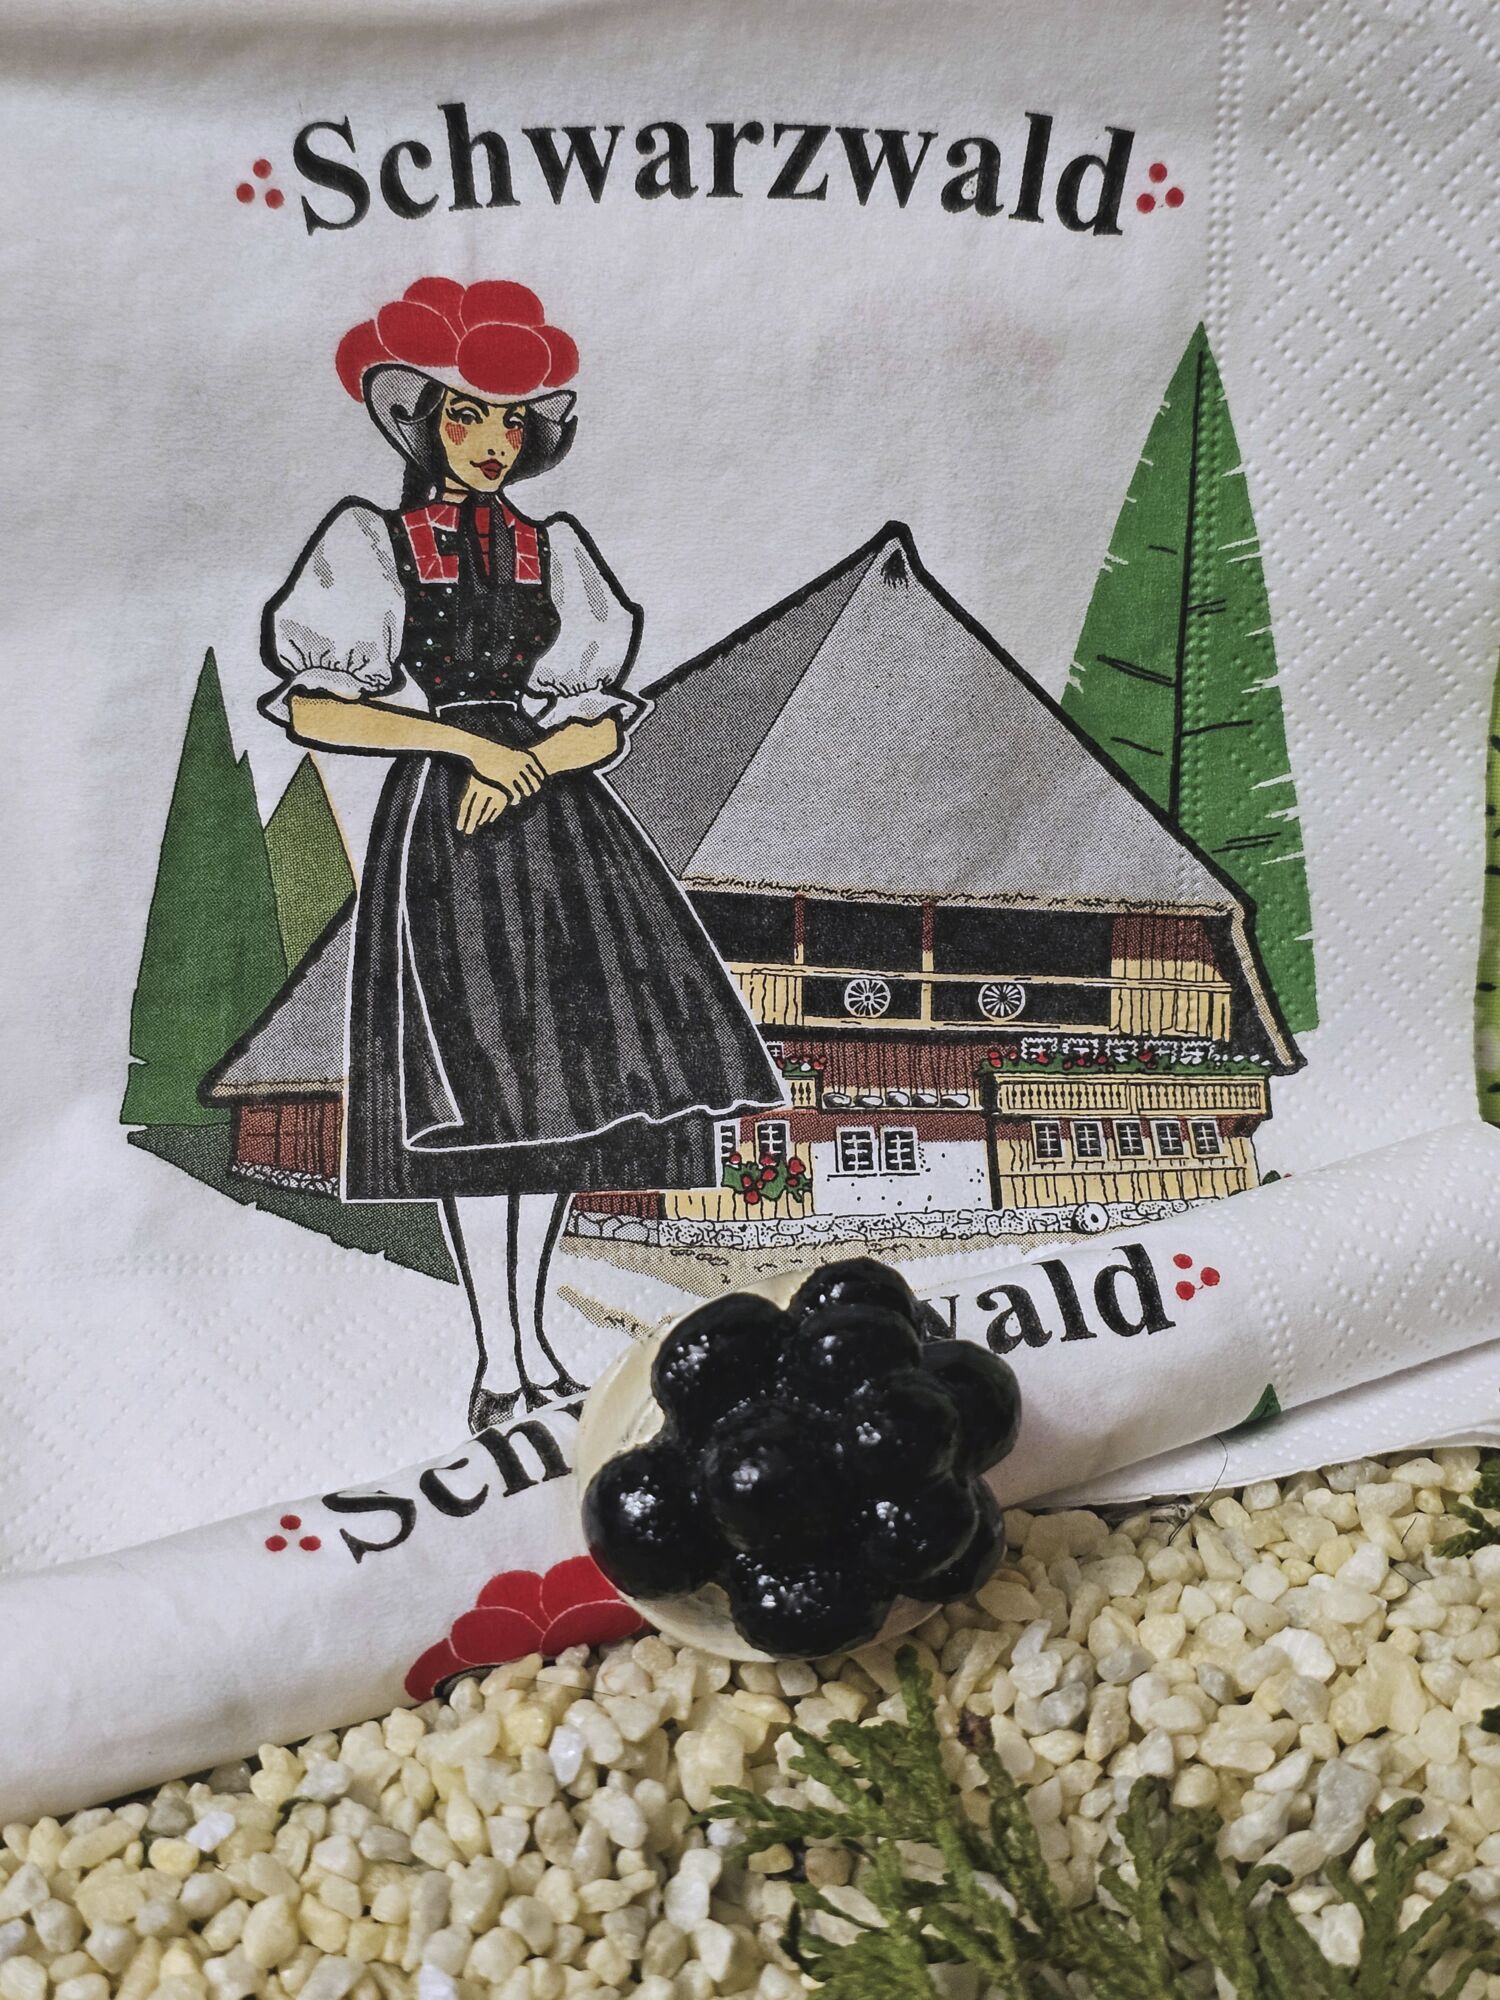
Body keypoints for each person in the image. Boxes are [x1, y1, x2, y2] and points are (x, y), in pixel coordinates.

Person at [260, 277, 783, 1430]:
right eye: (469, 417)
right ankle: (497, 1359)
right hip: (446, 827)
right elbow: (318, 708)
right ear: (424, 426)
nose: (493, 441)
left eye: (511, 422)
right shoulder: (374, 544)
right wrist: (467, 747)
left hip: (555, 826)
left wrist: (531, 763)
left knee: (553, 1091)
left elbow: (601, 723)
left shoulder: (557, 550)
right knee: (474, 1083)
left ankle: (532, 1348)